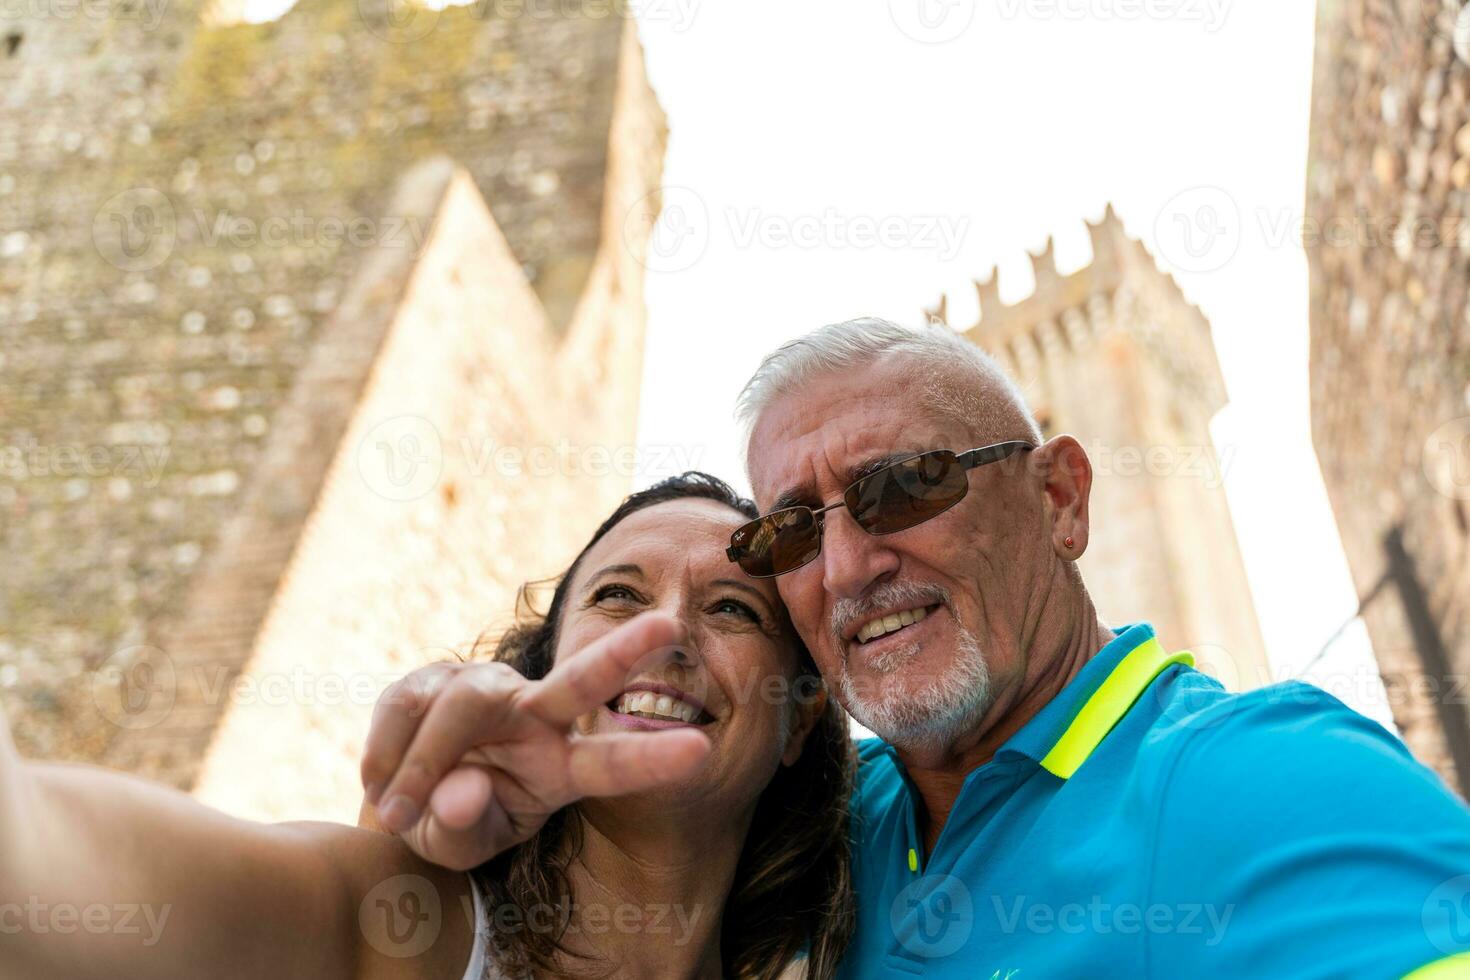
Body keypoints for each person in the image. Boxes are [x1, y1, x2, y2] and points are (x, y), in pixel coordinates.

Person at [368, 318, 1470, 978]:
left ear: (1061, 498)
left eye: (906, 484)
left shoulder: (1261, 781)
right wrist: (466, 816)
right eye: (793, 528)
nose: (848, 565)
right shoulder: (816, 824)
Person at [0, 473, 855, 980]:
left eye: (734, 608)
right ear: (548, 665)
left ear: (798, 719)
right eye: (618, 595)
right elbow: (35, 874)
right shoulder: (407, 931)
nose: (662, 635)